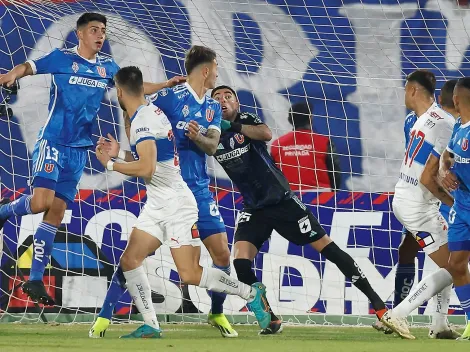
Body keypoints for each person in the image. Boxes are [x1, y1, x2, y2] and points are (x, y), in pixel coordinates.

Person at [0, 13, 182, 306]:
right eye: (95, 30)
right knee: (41, 202)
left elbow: (134, 89)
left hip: (79, 149)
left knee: (56, 213)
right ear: (80, 33)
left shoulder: (108, 67)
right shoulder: (61, 58)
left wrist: (166, 84)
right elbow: (29, 66)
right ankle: (5, 211)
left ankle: (34, 279)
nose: (100, 35)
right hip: (53, 142)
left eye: (103, 31)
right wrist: (11, 75)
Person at [91, 66, 270, 338]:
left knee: (189, 273)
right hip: (159, 201)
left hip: (176, 203)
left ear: (119, 92)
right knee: (130, 260)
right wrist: (123, 154)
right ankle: (151, 324)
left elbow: (147, 169)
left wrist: (111, 164)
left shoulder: (142, 120)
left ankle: (249, 292)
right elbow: (156, 159)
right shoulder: (151, 113)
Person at [210, 84, 403, 336]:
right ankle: (270, 318)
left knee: (328, 248)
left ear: (237, 104)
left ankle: (379, 307)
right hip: (253, 207)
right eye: (217, 98)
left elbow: (266, 133)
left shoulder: (246, 121)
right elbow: (203, 144)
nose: (223, 100)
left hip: (282, 200)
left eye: (228, 96)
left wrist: (231, 126)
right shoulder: (212, 132)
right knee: (240, 261)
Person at [373, 79, 460, 339]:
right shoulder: (447, 124)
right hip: (418, 205)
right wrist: (455, 202)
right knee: (456, 265)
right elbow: (430, 176)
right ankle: (397, 314)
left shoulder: (419, 119)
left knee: (451, 261)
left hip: (413, 199)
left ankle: (440, 324)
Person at [438, 77, 470, 340]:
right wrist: (445, 169)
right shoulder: (459, 126)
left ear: (456, 100)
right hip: (461, 207)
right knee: (456, 264)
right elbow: (446, 156)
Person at [271, 102, 341, 191]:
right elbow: (335, 171)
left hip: (290, 197)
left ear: (290, 120)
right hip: (321, 196)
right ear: (310, 118)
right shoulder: (324, 142)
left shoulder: (277, 145)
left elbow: (272, 174)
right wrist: (334, 193)